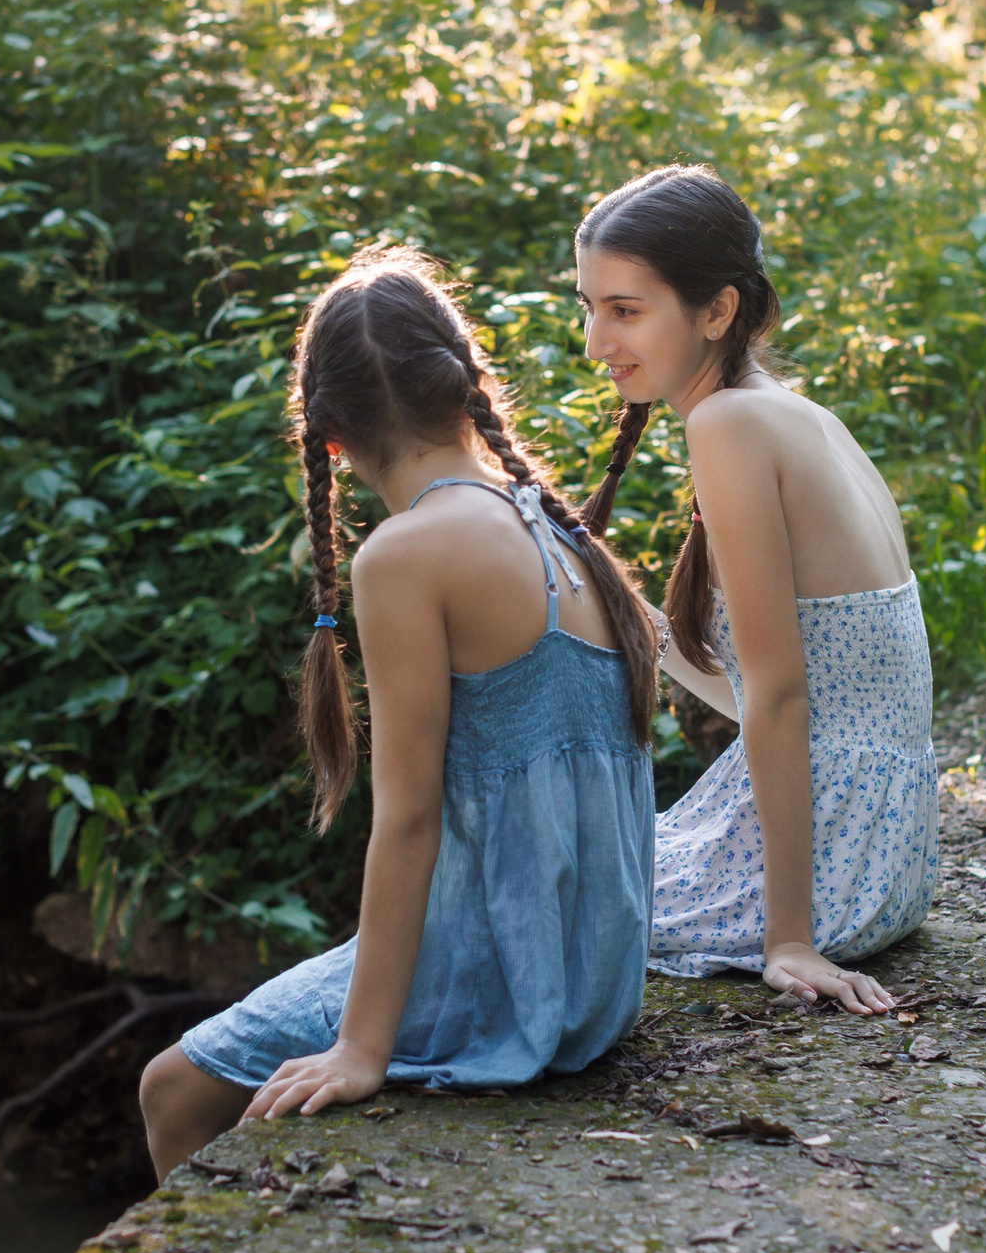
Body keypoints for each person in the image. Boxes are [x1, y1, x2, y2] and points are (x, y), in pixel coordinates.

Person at [137, 248, 660, 1182]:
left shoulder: (405, 556)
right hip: (594, 974)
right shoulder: (552, 522)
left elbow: (410, 819)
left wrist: (360, 1050)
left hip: (510, 979)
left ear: (328, 434)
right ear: (467, 389)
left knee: (170, 1088)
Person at [573, 164, 935, 1014]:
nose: (594, 341)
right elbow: (796, 694)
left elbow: (780, 696)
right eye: (587, 305)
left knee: (503, 899)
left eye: (624, 310)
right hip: (885, 852)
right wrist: (630, 614)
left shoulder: (729, 424)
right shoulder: (793, 413)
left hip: (829, 867)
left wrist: (790, 940)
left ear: (717, 309)